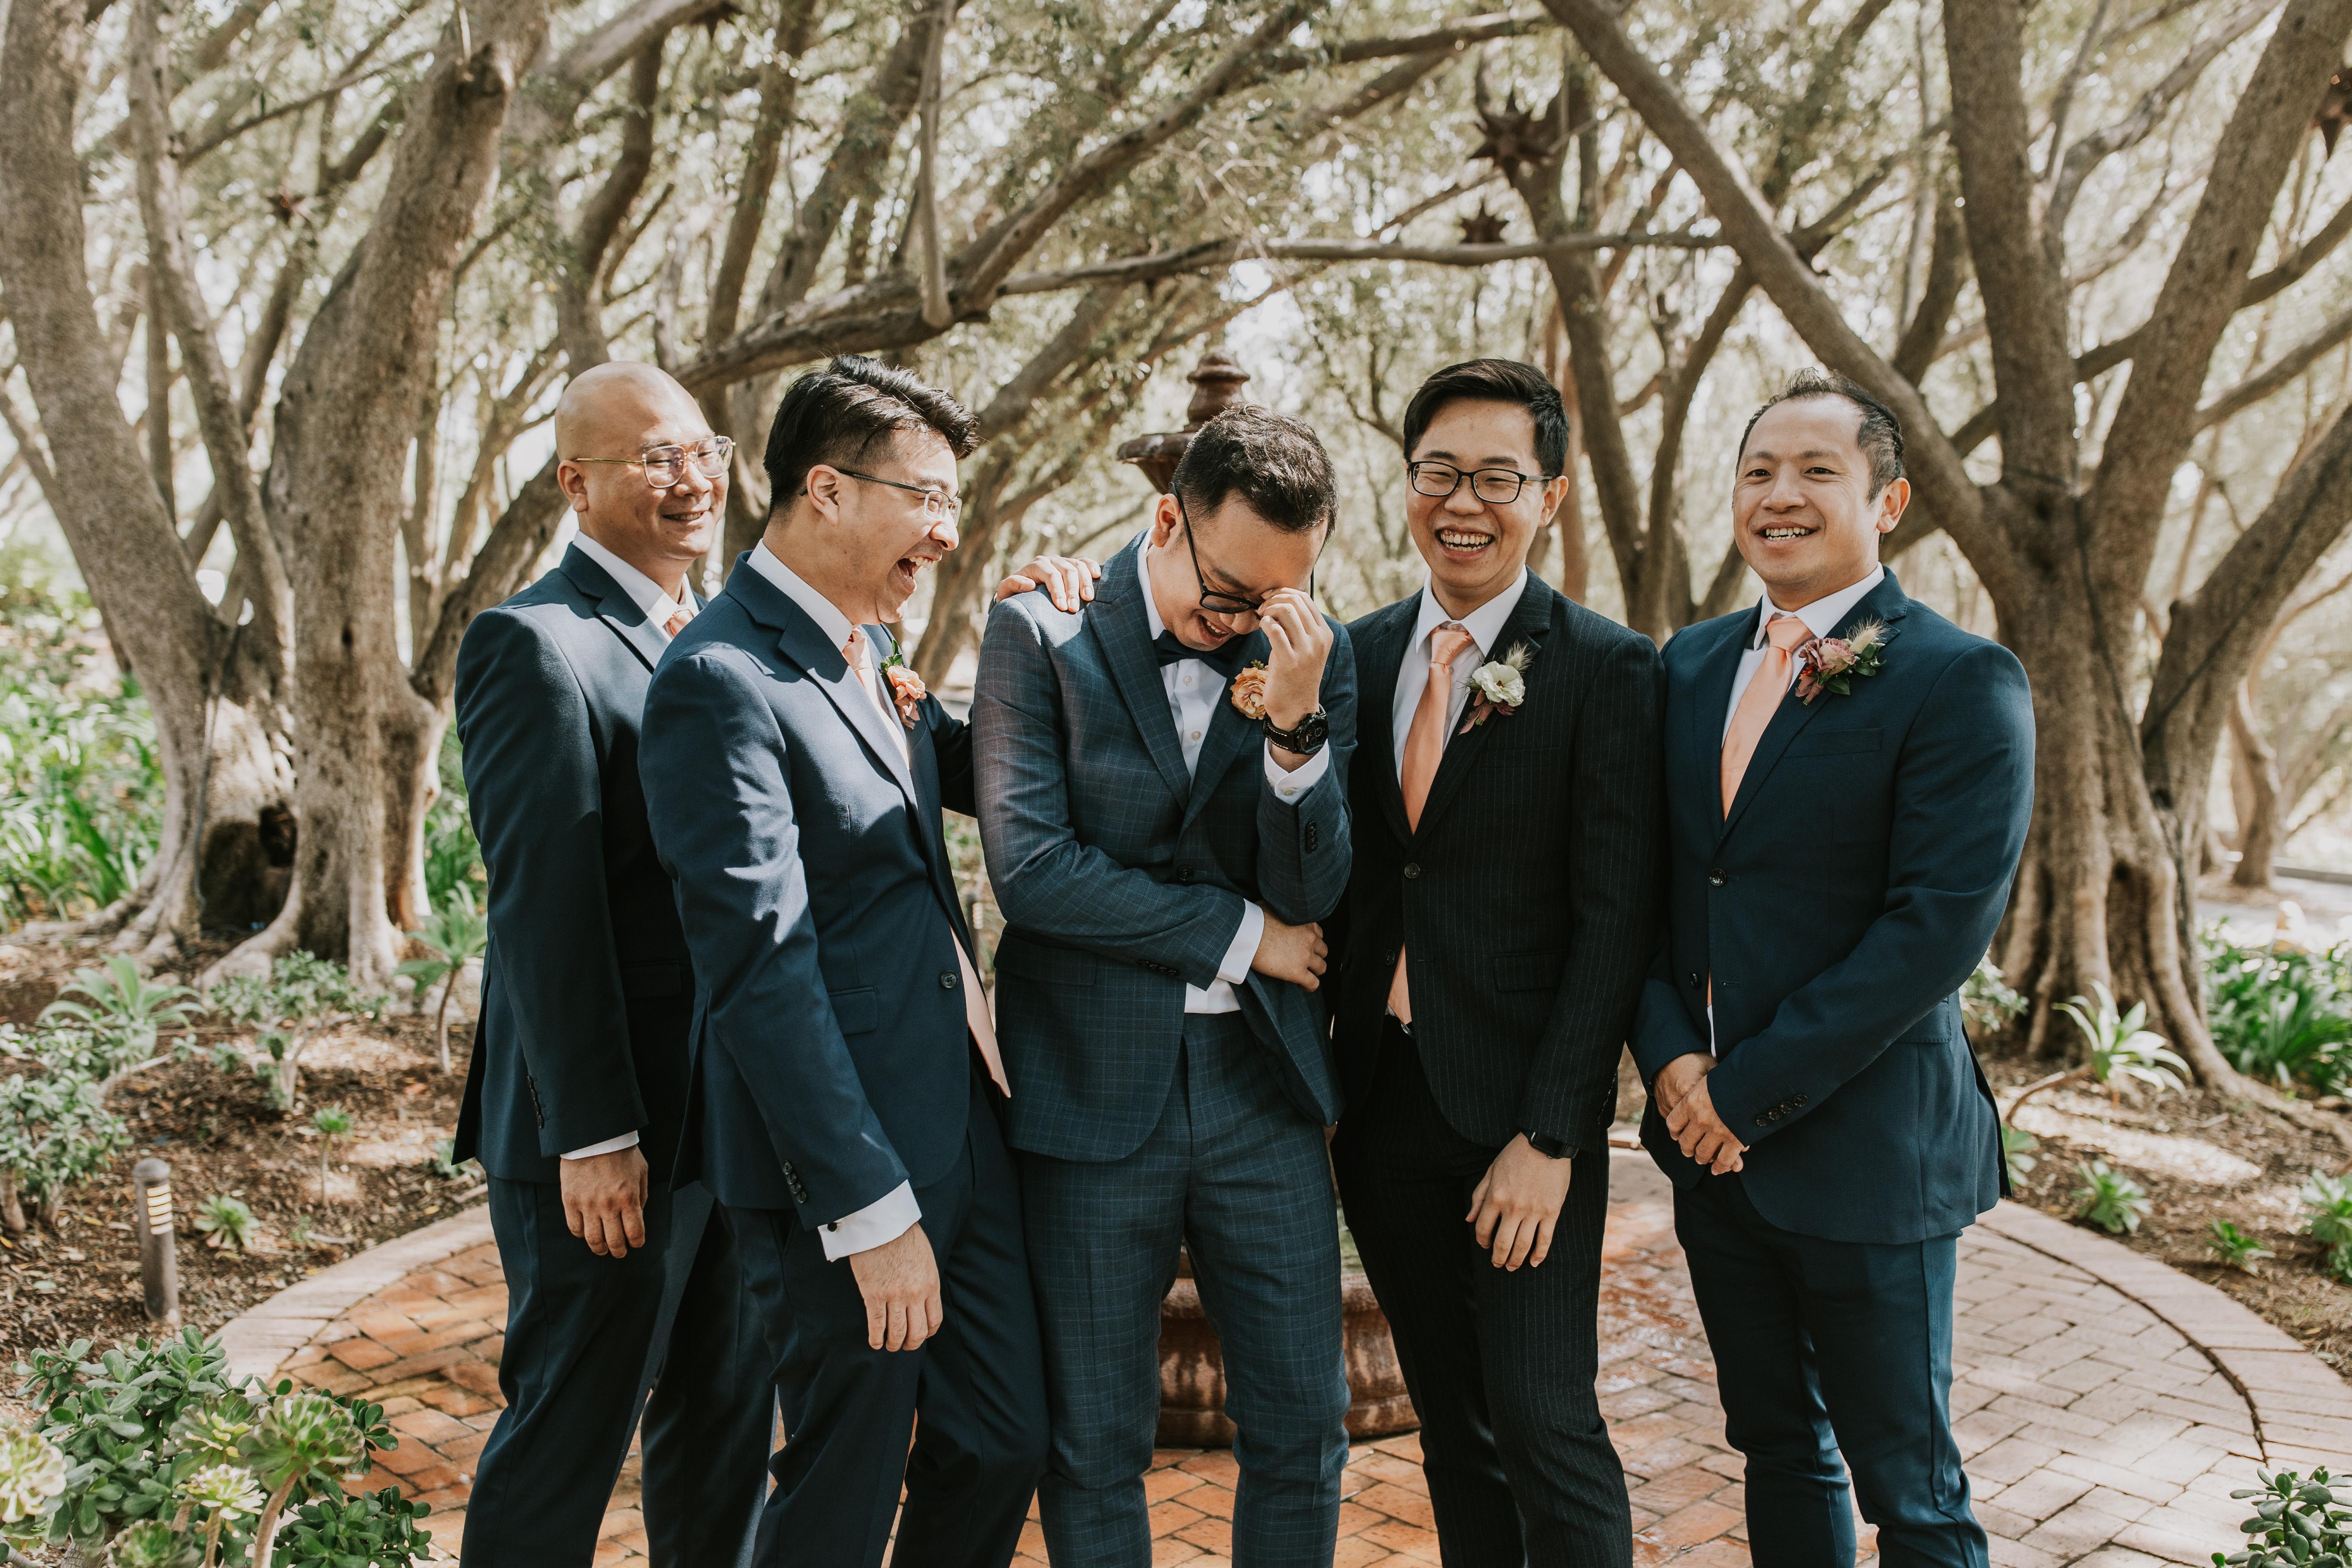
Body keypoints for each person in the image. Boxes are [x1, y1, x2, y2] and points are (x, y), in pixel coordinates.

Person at [637, 355, 1090, 1568]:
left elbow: (985, 768)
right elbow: (761, 969)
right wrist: (866, 1209)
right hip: (843, 1168)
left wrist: (1051, 638)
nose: (946, 531)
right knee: (843, 1486)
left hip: (963, 1123)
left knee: (999, 1440)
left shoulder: (867, 649)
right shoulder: (720, 681)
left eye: (952, 503)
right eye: (926, 498)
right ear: (827, 490)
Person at [1633, 369, 2034, 1568]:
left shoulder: (1960, 677)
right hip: (1713, 1158)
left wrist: (1739, 1095)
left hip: (1872, 1155)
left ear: (1888, 501)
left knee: (1912, 1492)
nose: (1781, 496)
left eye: (1818, 471)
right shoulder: (1689, 666)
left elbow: (1936, 931)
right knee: (1777, 1446)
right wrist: (1671, 1062)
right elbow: (1652, 889)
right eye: (1758, 472)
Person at [973, 404, 1357, 1568]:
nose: (1242, 626)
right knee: (1094, 1443)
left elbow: (1315, 886)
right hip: (1087, 1091)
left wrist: (1295, 731)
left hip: (1262, 1091)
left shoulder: (1306, 654)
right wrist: (1241, 935)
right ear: (1165, 521)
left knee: (1306, 1429)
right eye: (1228, 594)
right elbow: (1035, 871)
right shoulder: (1038, 633)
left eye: (1275, 600)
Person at [1328, 358, 1665, 1567]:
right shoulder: (1357, 656)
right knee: (1452, 1429)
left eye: (1496, 478)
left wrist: (1555, 1136)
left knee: (1543, 1422)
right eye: (1438, 473)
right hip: (1381, 1107)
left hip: (1522, 1119)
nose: (1462, 503)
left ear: (1550, 496)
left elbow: (1616, 919)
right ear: (1407, 482)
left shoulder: (1606, 667)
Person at [452, 360, 770, 1567]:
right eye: (655, 458)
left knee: (726, 1428)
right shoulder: (535, 645)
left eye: (703, 451)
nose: (691, 479)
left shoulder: (727, 631)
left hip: (732, 1119)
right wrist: (593, 1135)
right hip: (606, 1137)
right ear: (576, 485)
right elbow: (546, 912)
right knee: (567, 1438)